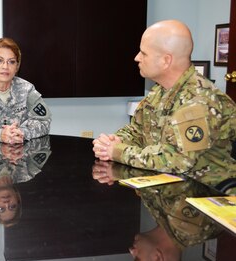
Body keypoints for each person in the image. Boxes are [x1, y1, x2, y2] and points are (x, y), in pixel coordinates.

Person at [92, 20, 236, 183]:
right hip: (169, 187)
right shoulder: (159, 91)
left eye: (144, 53)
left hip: (207, 193)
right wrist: (112, 142)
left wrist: (117, 152)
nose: (137, 58)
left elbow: (177, 159)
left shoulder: (200, 100)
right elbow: (137, 130)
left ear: (166, 60)